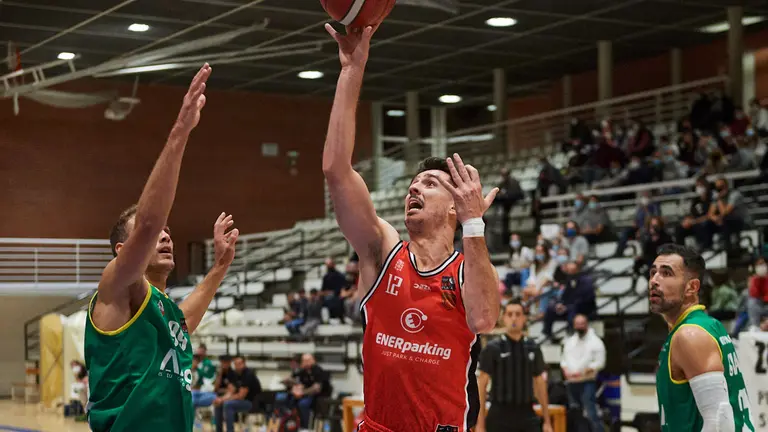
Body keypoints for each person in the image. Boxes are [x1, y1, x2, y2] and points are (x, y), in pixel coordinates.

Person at [322, 23, 500, 432]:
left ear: (455, 207)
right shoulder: (382, 249)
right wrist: (351, 70)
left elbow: (485, 319)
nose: (415, 189)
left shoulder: (468, 268)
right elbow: (335, 170)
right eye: (412, 185)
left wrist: (475, 224)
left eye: (430, 184)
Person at [84, 64, 240, 432]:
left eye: (169, 232)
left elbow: (184, 321)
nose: (165, 235)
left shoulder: (164, 312)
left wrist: (219, 267)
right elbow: (150, 220)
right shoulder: (117, 287)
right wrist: (180, 132)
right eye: (154, 235)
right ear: (124, 249)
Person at [650, 244, 755, 431]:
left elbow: (719, 421)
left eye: (666, 273)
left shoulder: (690, 335)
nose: (654, 280)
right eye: (653, 273)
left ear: (692, 287)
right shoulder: (707, 325)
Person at [476, 299, 552, 432]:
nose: (514, 318)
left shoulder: (533, 347)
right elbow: (481, 385)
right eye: (510, 314)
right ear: (503, 318)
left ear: (524, 318)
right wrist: (480, 424)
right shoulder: (493, 348)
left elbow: (540, 383)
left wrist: (547, 421)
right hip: (499, 414)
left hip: (527, 413)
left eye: (518, 314)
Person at [560, 315, 606, 432]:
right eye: (577, 324)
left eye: (582, 324)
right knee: (575, 415)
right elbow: (563, 359)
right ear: (574, 325)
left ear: (586, 324)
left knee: (591, 414)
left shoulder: (596, 342)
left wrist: (586, 371)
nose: (580, 326)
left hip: (587, 382)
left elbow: (600, 362)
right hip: (571, 382)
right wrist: (565, 370)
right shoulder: (569, 342)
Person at [280, 353, 332, 428]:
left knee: (303, 404)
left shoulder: (318, 371)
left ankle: (305, 426)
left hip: (318, 396)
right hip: (305, 394)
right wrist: (288, 381)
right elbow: (295, 379)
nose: (305, 362)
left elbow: (316, 388)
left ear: (313, 361)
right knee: (288, 400)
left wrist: (302, 393)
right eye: (304, 361)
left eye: (308, 360)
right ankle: (292, 423)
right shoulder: (303, 371)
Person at [213, 356, 262, 432]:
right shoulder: (236, 375)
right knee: (218, 404)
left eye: (239, 363)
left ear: (244, 363)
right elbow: (231, 391)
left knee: (227, 405)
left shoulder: (248, 374)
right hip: (242, 401)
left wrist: (224, 400)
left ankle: (230, 430)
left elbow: (241, 396)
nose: (237, 366)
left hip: (252, 403)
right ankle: (218, 430)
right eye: (235, 364)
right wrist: (220, 399)